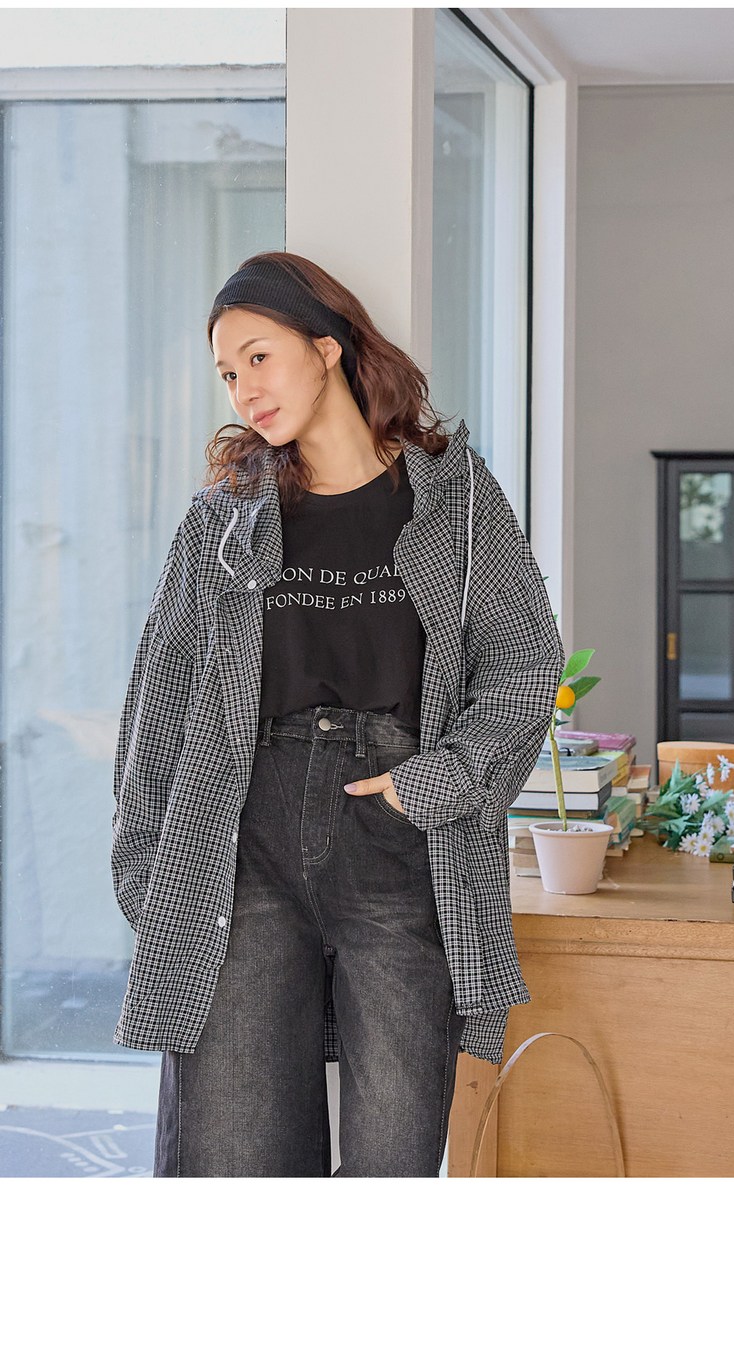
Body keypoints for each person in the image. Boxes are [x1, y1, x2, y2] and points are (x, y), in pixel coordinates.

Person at [110, 250, 565, 1177]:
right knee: (232, 1160)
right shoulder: (222, 521)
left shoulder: (455, 500)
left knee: (391, 1163)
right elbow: (159, 700)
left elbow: (525, 662)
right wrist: (149, 867)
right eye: (227, 374)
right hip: (243, 848)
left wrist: (429, 786)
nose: (244, 389)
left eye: (259, 357)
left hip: (397, 849)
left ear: (326, 347)